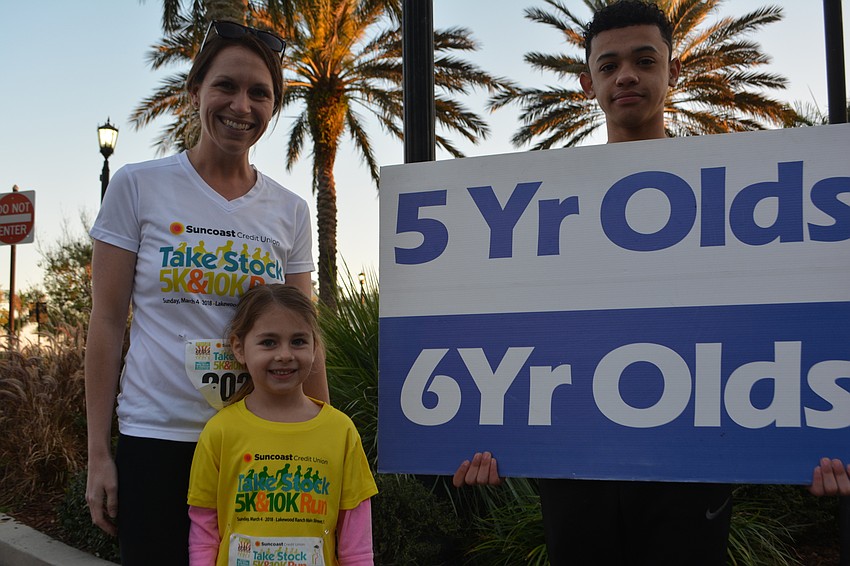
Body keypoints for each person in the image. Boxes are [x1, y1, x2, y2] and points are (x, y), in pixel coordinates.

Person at [454, 2, 850, 565]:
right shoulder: (545, 199)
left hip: (689, 470)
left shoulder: (738, 185)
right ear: (588, 81)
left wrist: (814, 444)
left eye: (644, 59)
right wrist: (479, 435)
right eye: (609, 65)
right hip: (577, 469)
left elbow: (767, 324)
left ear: (674, 70)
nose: (627, 76)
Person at [85, 20, 329, 565]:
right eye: (226, 86)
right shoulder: (137, 186)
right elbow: (105, 323)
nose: (241, 105)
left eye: (259, 93)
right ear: (195, 92)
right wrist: (99, 454)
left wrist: (324, 441)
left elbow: (304, 331)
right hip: (155, 440)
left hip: (258, 442)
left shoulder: (290, 210)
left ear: (274, 106)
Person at [187, 284, 377, 566]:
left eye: (298, 341)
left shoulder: (341, 431)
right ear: (239, 348)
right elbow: (204, 530)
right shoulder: (220, 431)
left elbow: (356, 538)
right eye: (268, 342)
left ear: (315, 347)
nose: (285, 354)